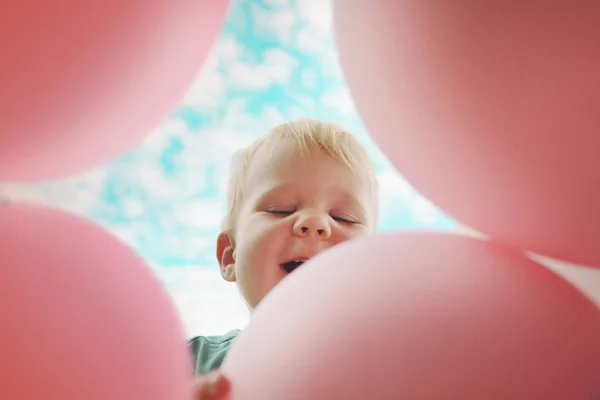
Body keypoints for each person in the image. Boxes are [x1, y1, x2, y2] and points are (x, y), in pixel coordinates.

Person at [190, 118, 380, 399]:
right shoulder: (188, 363)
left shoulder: (393, 373)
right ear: (230, 255)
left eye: (343, 218)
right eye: (280, 210)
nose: (315, 222)